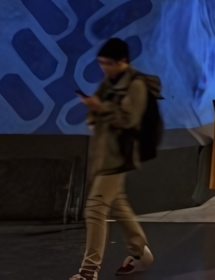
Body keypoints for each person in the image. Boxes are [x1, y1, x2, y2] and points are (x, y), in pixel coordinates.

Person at [71, 38, 159, 279]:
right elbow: (97, 110)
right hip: (104, 152)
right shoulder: (110, 82)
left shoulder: (136, 85)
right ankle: (140, 253)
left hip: (119, 155)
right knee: (118, 204)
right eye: (100, 63)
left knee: (95, 209)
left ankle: (89, 272)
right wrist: (93, 113)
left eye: (107, 63)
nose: (103, 68)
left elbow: (128, 119)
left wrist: (100, 110)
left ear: (122, 61)